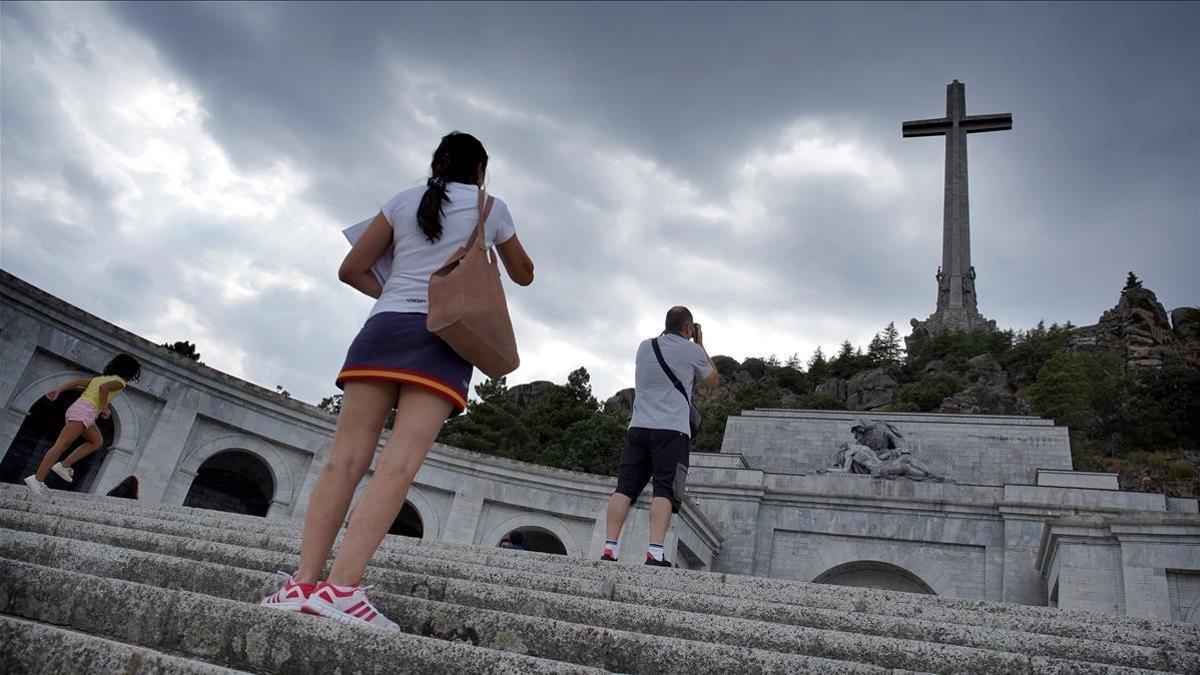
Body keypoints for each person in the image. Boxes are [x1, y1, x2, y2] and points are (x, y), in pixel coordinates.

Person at [260, 132, 534, 628]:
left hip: (382, 329)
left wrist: (396, 293)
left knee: (342, 461)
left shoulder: (402, 202)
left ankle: (302, 583)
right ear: (480, 171)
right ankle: (342, 590)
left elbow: (351, 269)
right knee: (397, 466)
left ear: (436, 164)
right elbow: (524, 274)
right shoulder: (490, 207)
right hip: (442, 339)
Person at [601, 306, 717, 567]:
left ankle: (609, 548)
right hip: (672, 432)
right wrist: (700, 344)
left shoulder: (644, 347)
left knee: (624, 489)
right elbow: (713, 378)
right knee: (664, 491)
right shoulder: (692, 351)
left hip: (639, 428)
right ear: (688, 328)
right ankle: (655, 553)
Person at [24, 354, 141, 496]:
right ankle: (37, 478)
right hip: (85, 411)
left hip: (82, 411)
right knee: (61, 445)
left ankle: (63, 465)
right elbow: (103, 389)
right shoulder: (120, 382)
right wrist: (105, 408)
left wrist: (59, 389)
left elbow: (78, 382)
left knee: (96, 441)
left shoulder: (100, 378)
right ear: (129, 371)